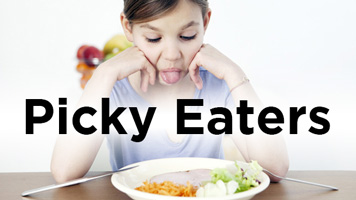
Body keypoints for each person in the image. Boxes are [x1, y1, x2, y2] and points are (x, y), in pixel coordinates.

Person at [51, 0, 289, 183]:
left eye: (187, 36)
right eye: (154, 39)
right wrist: (103, 75)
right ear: (128, 27)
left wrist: (236, 76)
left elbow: (274, 169)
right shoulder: (114, 90)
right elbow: (64, 172)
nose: (172, 55)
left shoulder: (218, 84)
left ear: (205, 22)